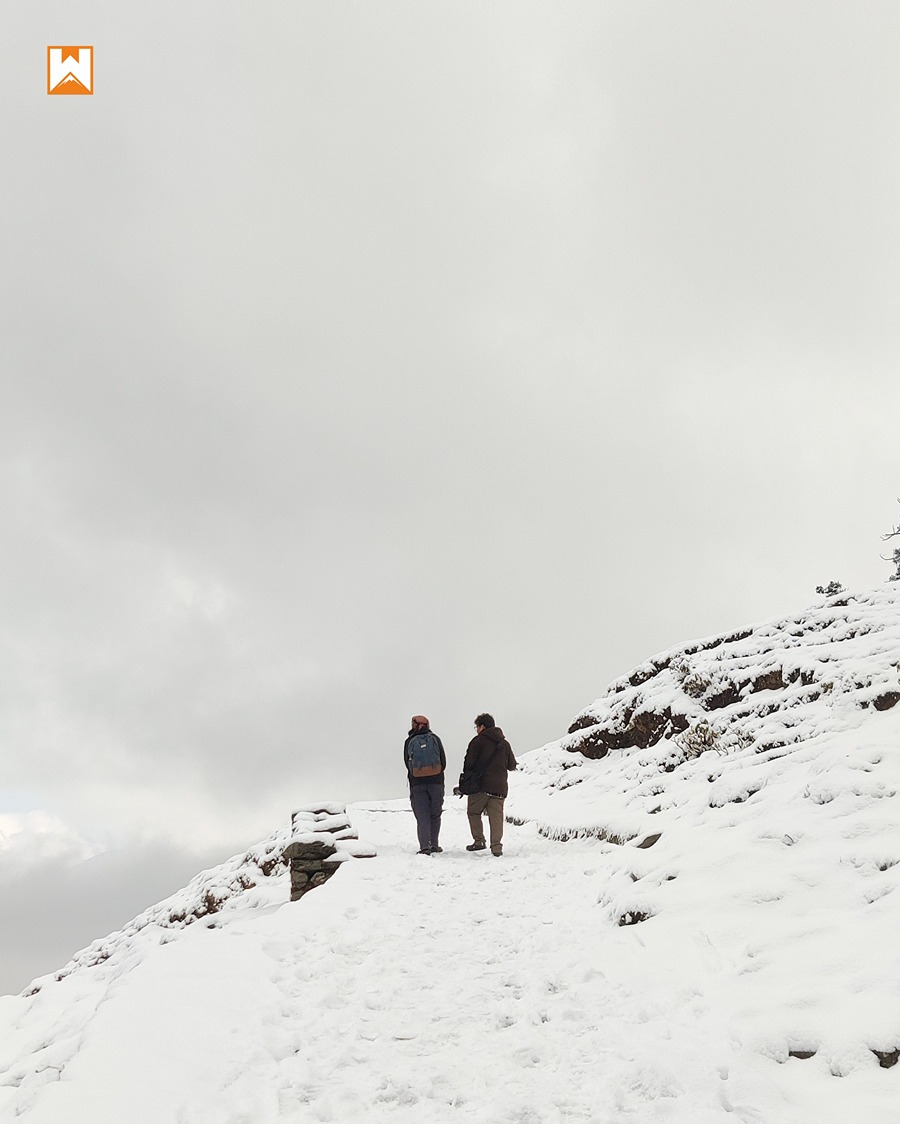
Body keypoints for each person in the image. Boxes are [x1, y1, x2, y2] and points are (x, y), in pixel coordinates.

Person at [462, 713, 517, 856]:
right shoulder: (504, 743)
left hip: (480, 787)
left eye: (477, 726)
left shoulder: (477, 742)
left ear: (482, 726)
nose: (476, 730)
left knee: (473, 812)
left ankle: (479, 841)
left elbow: (468, 764)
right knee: (496, 818)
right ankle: (496, 847)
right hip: (499, 788)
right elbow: (512, 765)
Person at [403, 715, 447, 855]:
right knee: (435, 815)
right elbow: (443, 762)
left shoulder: (409, 741)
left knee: (422, 817)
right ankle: (434, 844)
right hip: (436, 783)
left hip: (417, 784)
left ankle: (424, 847)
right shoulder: (435, 739)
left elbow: (407, 763)